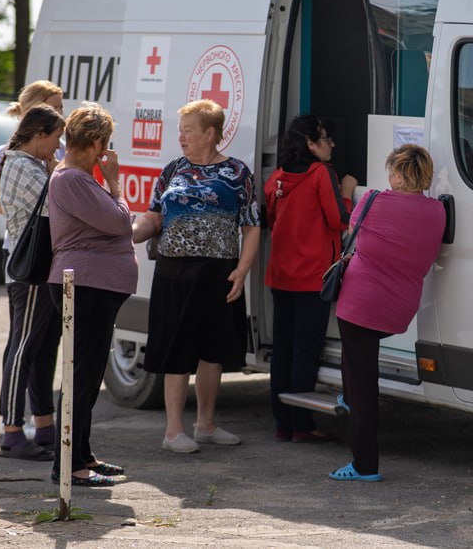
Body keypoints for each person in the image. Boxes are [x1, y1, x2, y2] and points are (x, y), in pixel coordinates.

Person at [131, 99, 261, 454]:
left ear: (210, 133)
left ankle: (205, 424)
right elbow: (154, 215)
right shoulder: (174, 169)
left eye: (189, 130)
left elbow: (251, 226)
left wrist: (242, 269)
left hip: (219, 271)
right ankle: (174, 431)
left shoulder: (238, 173)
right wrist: (128, 232)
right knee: (176, 349)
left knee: (212, 351)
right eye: (181, 130)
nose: (182, 137)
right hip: (174, 272)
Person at [328, 144, 445, 482]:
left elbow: (355, 236)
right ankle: (348, 397)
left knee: (363, 382)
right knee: (358, 365)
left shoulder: (373, 200)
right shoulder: (437, 211)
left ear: (397, 173)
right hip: (400, 309)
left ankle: (365, 465)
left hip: (360, 304)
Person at [47, 102, 136, 487]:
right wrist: (115, 182)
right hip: (84, 285)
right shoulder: (72, 180)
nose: (107, 151)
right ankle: (68, 467)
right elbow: (119, 222)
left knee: (88, 374)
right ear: (98, 142)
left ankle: (82, 454)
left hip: (94, 285)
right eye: (107, 143)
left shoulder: (80, 178)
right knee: (80, 375)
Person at [264, 116, 357, 442]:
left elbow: (271, 218)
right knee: (305, 352)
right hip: (312, 278)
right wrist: (347, 192)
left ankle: (283, 424)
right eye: (325, 138)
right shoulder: (322, 174)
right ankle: (302, 425)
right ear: (309, 143)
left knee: (284, 351)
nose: (331, 143)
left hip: (281, 275)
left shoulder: (276, 177)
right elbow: (340, 220)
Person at [0, 104, 64, 460]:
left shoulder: (30, 164)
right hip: (29, 272)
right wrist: (58, 171)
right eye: (56, 138)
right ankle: (13, 430)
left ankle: (45, 425)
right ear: (39, 135)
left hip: (39, 270)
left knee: (43, 347)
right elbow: (60, 204)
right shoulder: (21, 165)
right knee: (23, 349)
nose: (58, 146)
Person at [0, 80, 64, 197]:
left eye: (61, 107)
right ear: (33, 112)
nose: (59, 113)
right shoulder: (13, 151)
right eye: (53, 108)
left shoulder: (63, 148)